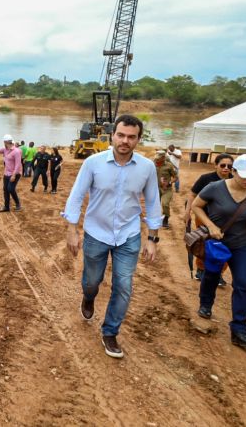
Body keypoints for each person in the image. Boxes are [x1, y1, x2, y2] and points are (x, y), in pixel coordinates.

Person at [63, 114, 162, 359]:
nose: (125, 141)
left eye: (131, 137)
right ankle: (89, 297)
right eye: (121, 135)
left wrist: (152, 238)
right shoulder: (93, 163)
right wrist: (72, 229)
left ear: (138, 139)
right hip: (96, 232)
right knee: (91, 281)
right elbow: (77, 195)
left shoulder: (147, 168)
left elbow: (153, 202)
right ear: (113, 135)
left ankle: (110, 332)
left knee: (124, 285)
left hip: (129, 234)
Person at [192, 154, 246, 349]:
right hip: (216, 244)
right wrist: (210, 225)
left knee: (244, 284)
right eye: (244, 175)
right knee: (211, 275)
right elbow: (196, 206)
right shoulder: (214, 188)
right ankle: (206, 304)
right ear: (233, 171)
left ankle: (239, 330)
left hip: (242, 245)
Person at [184, 154, 234, 284]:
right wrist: (187, 212)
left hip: (226, 221)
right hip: (204, 216)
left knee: (225, 246)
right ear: (216, 165)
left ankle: (219, 273)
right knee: (204, 244)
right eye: (223, 165)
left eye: (229, 166)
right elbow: (192, 194)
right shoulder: (206, 179)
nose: (226, 168)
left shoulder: (234, 180)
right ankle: (201, 269)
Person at [0, 134, 23, 212]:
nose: (3, 143)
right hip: (6, 173)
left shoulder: (16, 151)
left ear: (6, 142)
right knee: (5, 190)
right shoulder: (5, 150)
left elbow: (18, 164)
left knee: (10, 189)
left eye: (4, 142)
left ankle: (18, 204)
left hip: (15, 174)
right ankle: (6, 207)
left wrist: (14, 175)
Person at [154, 150, 178, 229]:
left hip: (166, 189)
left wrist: (169, 182)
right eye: (156, 158)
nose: (156, 160)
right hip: (155, 189)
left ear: (163, 158)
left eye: (158, 158)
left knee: (165, 204)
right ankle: (156, 219)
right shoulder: (152, 164)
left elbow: (176, 177)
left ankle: (165, 219)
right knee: (155, 205)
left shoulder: (169, 166)